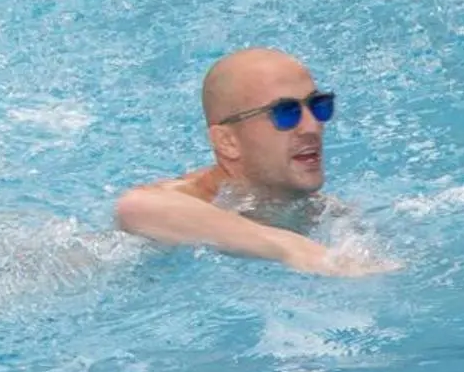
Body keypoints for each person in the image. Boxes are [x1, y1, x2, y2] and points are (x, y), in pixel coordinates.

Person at [114, 47, 395, 276]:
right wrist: (290, 247)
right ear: (227, 141)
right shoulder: (196, 199)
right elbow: (135, 207)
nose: (311, 127)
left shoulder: (323, 213)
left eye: (318, 106)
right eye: (286, 113)